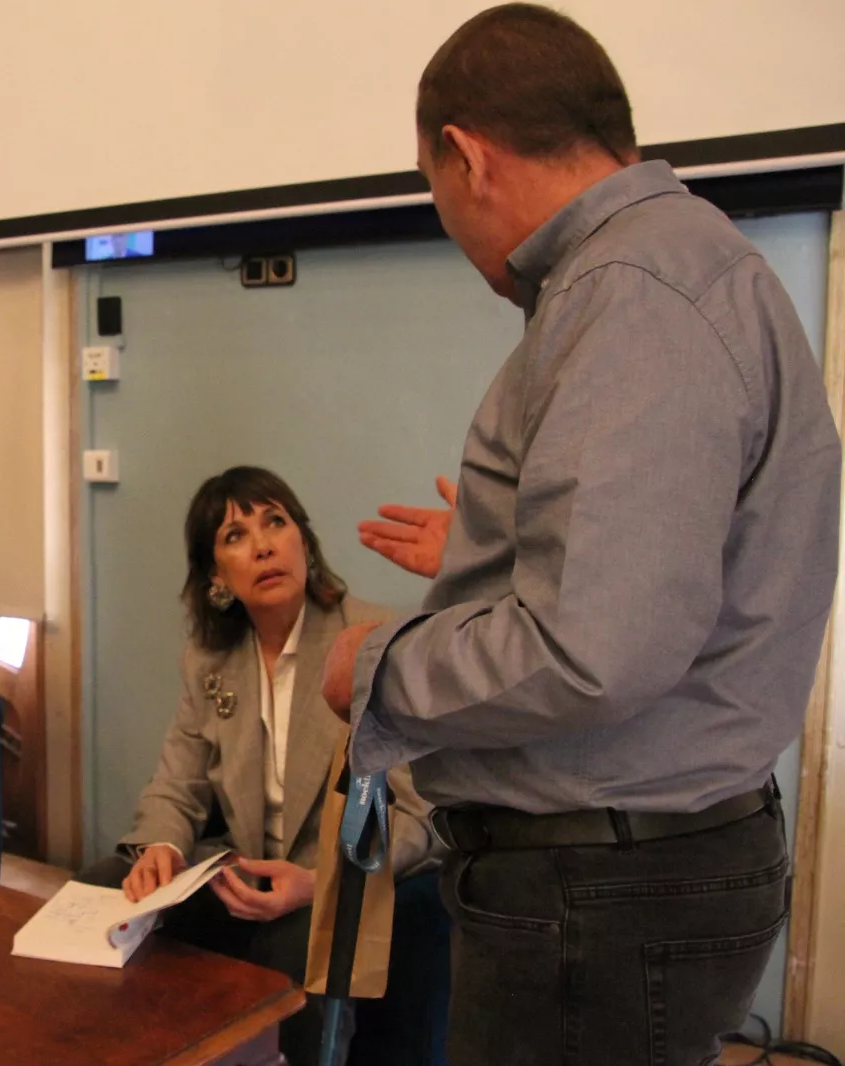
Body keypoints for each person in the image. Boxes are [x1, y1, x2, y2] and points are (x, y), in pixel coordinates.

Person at [319, 6, 842, 1065]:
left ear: (465, 157)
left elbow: (591, 649)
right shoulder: (687, 267)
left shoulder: (625, 294)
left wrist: (374, 665)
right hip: (635, 875)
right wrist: (493, 550)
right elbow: (662, 565)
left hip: (595, 900)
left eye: (430, 190)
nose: (446, 219)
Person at [80, 465, 440, 1066]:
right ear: (217, 576)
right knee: (101, 889)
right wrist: (159, 850)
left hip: (332, 885)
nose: (264, 544)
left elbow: (417, 813)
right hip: (248, 880)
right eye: (235, 536)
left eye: (276, 522)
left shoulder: (371, 640)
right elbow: (177, 784)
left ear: (305, 542)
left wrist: (322, 881)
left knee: (305, 940)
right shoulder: (211, 657)